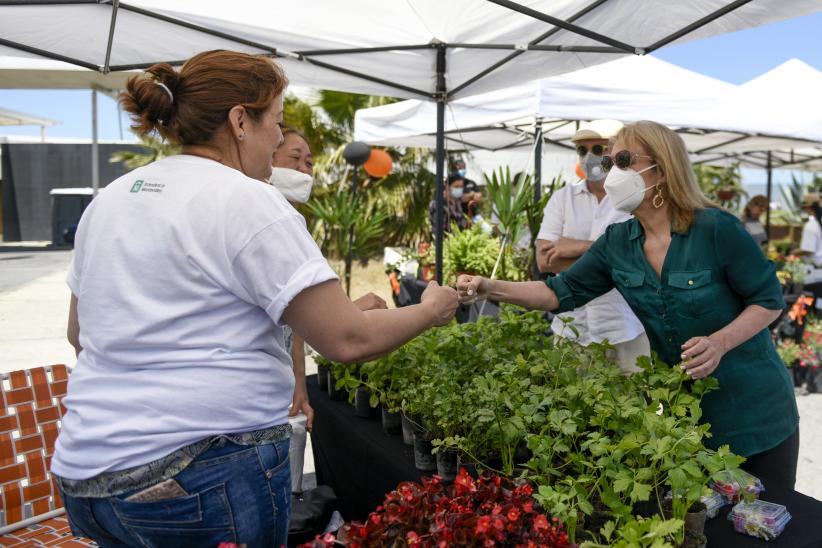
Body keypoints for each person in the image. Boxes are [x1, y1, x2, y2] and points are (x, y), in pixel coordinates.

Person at [55, 50, 458, 547]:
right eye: (277, 123)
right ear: (240, 121)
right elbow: (348, 340)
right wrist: (431, 310)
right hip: (198, 474)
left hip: (86, 474)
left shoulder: (113, 197)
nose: (277, 141)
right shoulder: (243, 197)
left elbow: (80, 334)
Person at [458, 121, 799, 491]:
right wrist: (488, 287)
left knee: (767, 524)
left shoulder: (715, 228)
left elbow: (768, 301)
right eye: (609, 164)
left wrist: (719, 342)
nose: (612, 173)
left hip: (756, 411)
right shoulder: (617, 242)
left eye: (623, 160)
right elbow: (558, 292)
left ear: (663, 168)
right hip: (687, 421)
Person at [269, 127, 388, 434]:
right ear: (265, 156)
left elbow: (293, 320)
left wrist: (299, 384)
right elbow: (341, 337)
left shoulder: (293, 220)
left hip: (275, 380)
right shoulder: (267, 221)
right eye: (294, 158)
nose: (303, 169)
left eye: (308, 162)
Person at [536, 120, 649, 373]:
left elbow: (640, 257)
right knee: (569, 407)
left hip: (625, 327)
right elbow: (545, 261)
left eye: (598, 149)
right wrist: (611, 258)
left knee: (636, 405)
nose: (589, 157)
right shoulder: (562, 198)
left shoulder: (636, 197)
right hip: (571, 327)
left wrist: (576, 247)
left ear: (618, 153)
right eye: (582, 150)